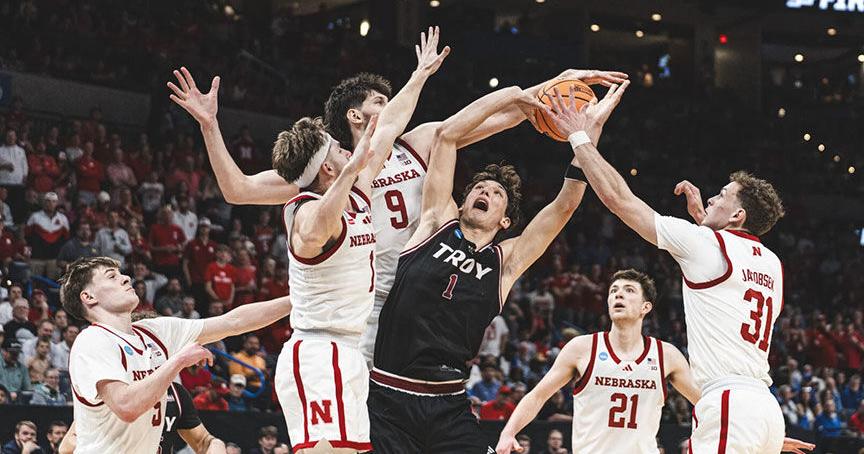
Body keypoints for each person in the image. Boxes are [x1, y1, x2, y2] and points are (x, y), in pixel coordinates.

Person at [167, 38, 627, 368]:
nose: (390, 105)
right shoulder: (327, 173)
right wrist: (210, 125)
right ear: (354, 115)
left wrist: (556, 88)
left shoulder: (419, 142)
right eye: (379, 100)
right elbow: (239, 189)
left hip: (423, 289)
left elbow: (508, 114)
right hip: (364, 301)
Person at [546, 81, 814, 454]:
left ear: (737, 215)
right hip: (764, 410)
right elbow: (727, 277)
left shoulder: (707, 245)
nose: (712, 197)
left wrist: (579, 137)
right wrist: (706, 223)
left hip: (728, 402)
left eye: (722, 195)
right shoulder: (772, 264)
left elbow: (620, 199)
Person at [367, 80, 593, 453]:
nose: (485, 192)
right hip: (389, 396)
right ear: (462, 201)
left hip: (448, 405)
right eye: (479, 188)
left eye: (496, 193)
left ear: (505, 221)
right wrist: (511, 94)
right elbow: (446, 136)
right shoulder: (435, 222)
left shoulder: (505, 262)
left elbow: (565, 205)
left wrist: (586, 134)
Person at [59, 256, 291, 453]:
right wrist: (178, 360)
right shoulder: (93, 341)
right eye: (111, 276)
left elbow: (233, 322)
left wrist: (298, 300)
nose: (126, 278)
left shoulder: (153, 331)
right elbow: (127, 406)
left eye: (121, 274)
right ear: (89, 297)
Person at [496, 270, 700, 454]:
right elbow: (537, 396)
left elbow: (704, 402)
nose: (618, 295)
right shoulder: (582, 348)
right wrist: (508, 432)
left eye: (629, 290)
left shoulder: (666, 355)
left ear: (645, 307)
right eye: (614, 291)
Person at [59, 383, 227, 454]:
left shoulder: (176, 392)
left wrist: (215, 444)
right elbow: (67, 446)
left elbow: (202, 442)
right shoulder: (111, 388)